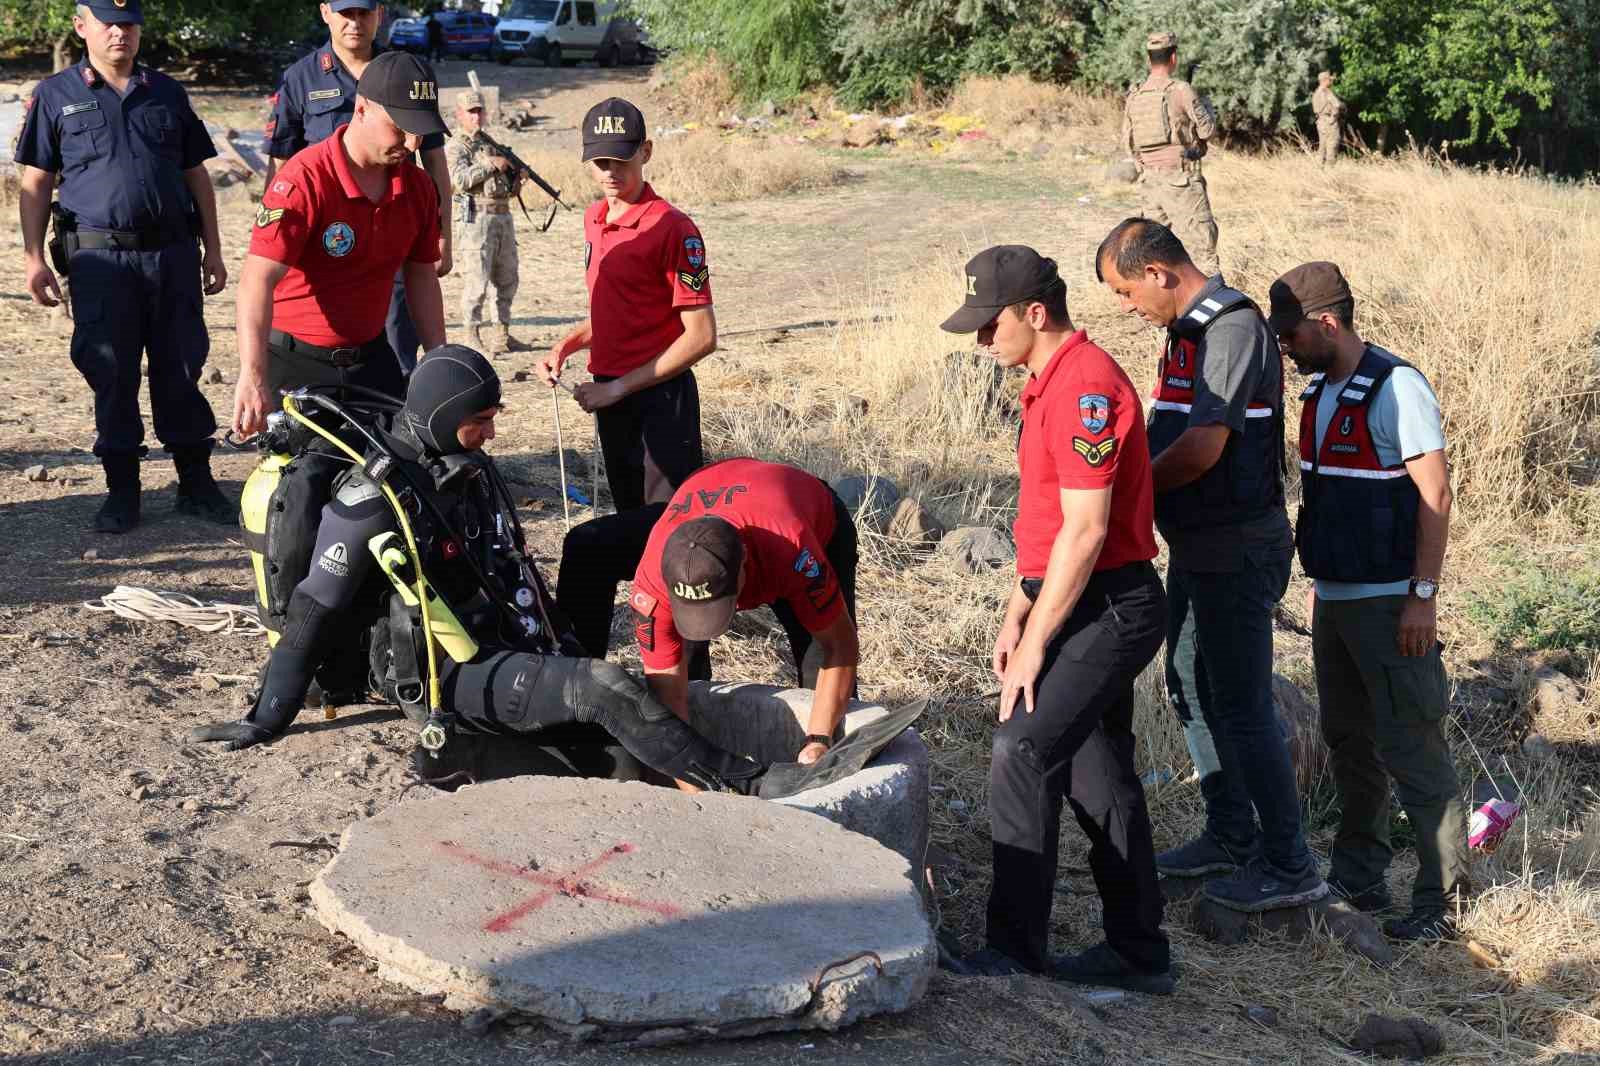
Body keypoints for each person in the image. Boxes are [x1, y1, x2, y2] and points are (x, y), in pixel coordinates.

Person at [192, 346, 767, 794]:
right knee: (607, 689)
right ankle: (749, 780)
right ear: (444, 417)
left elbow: (515, 569)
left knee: (616, 728)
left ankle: (495, 758)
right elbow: (313, 607)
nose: (491, 433)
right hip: (448, 676)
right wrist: (267, 717)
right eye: (481, 420)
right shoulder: (371, 500)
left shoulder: (464, 470)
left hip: (499, 643)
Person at [935, 246, 1172, 992]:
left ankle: (1013, 953)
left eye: (989, 325)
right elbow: (1047, 528)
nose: (981, 341)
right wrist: (1019, 610)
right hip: (1075, 597)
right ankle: (1138, 952)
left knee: (1022, 750)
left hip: (1114, 603)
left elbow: (1089, 530)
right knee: (1098, 778)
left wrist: (1039, 641)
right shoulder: (1046, 382)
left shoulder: (1084, 387)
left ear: (1035, 314)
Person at [1096, 218, 1327, 912]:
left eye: (1127, 291)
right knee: (1189, 686)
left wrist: (1124, 492)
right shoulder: (1187, 331)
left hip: (1236, 545)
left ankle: (1289, 864)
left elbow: (1202, 447)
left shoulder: (1230, 328)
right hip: (1199, 544)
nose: (1125, 306)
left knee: (1243, 701)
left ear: (1161, 272)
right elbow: (1165, 429)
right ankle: (1229, 832)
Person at [1270, 261, 1466, 941]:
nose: (1284, 347)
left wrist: (1423, 598)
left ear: (1328, 323)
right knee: (1349, 744)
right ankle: (1359, 879)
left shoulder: (1398, 387)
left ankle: (1444, 903)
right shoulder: (1321, 391)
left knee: (1413, 750)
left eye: (1291, 333)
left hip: (1392, 605)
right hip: (1337, 602)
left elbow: (1435, 496)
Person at [14, 0, 233, 534]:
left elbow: (195, 173)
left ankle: (196, 482)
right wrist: (33, 258)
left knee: (181, 366)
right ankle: (123, 490)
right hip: (98, 261)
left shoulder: (166, 91)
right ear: (80, 25)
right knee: (111, 372)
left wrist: (215, 249)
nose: (120, 32)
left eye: (129, 23)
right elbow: (37, 182)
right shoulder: (56, 95)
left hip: (172, 255)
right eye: (108, 23)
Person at [233, 50, 449, 439]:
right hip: (297, 364)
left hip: (372, 361)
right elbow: (255, 282)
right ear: (362, 109)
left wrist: (438, 361)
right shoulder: (305, 179)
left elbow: (421, 278)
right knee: (302, 487)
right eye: (400, 128)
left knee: (389, 483)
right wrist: (252, 375)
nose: (413, 143)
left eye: (420, 129)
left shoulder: (417, 188)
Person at [622, 458, 861, 766]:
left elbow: (840, 645)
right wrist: (693, 780)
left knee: (816, 652)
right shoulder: (651, 582)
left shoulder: (792, 549)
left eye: (722, 601)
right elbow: (667, 683)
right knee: (686, 664)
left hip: (806, 515)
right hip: (722, 487)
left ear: (745, 563)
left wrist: (818, 741)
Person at [538, 97, 714, 512]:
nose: (611, 172)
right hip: (611, 396)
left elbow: (703, 337)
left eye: (621, 159)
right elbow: (621, 313)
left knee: (667, 527)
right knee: (628, 518)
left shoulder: (673, 228)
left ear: (646, 152)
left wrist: (617, 388)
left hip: (659, 398)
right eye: (600, 162)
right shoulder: (594, 218)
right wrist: (565, 347)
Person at [262, 0, 452, 378]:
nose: (355, 23)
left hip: (395, 220)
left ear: (379, 15)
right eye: (346, 13)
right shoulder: (301, 78)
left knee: (399, 338)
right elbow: (282, 162)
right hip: (328, 232)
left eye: (363, 13)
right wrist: (275, 237)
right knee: (330, 330)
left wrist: (444, 234)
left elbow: (434, 160)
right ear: (325, 13)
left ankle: (397, 412)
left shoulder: (405, 72)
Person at [1122, 31, 1221, 276]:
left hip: (1149, 184)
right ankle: (1214, 308)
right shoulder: (1180, 90)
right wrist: (1206, 108)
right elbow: (1207, 130)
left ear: (1149, 60)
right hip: (1180, 181)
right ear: (1173, 57)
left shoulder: (1135, 95)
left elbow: (1128, 141)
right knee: (1202, 249)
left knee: (1156, 253)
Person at [447, 89, 531, 355]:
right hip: (476, 220)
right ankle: (472, 333)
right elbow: (458, 181)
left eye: (479, 110)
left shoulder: (491, 144)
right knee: (477, 280)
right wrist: (491, 165)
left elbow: (508, 189)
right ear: (459, 114)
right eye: (471, 111)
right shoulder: (456, 146)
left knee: (507, 277)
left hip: (502, 216)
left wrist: (517, 178)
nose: (476, 116)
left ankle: (501, 334)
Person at [1312, 72, 1346, 166]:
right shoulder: (1327, 92)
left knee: (1322, 147)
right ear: (1325, 80)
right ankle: (1329, 172)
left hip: (1320, 122)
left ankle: (1319, 169)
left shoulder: (1316, 93)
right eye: (1330, 80)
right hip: (1329, 122)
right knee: (1332, 146)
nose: (1331, 81)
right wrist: (1334, 118)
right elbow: (1337, 105)